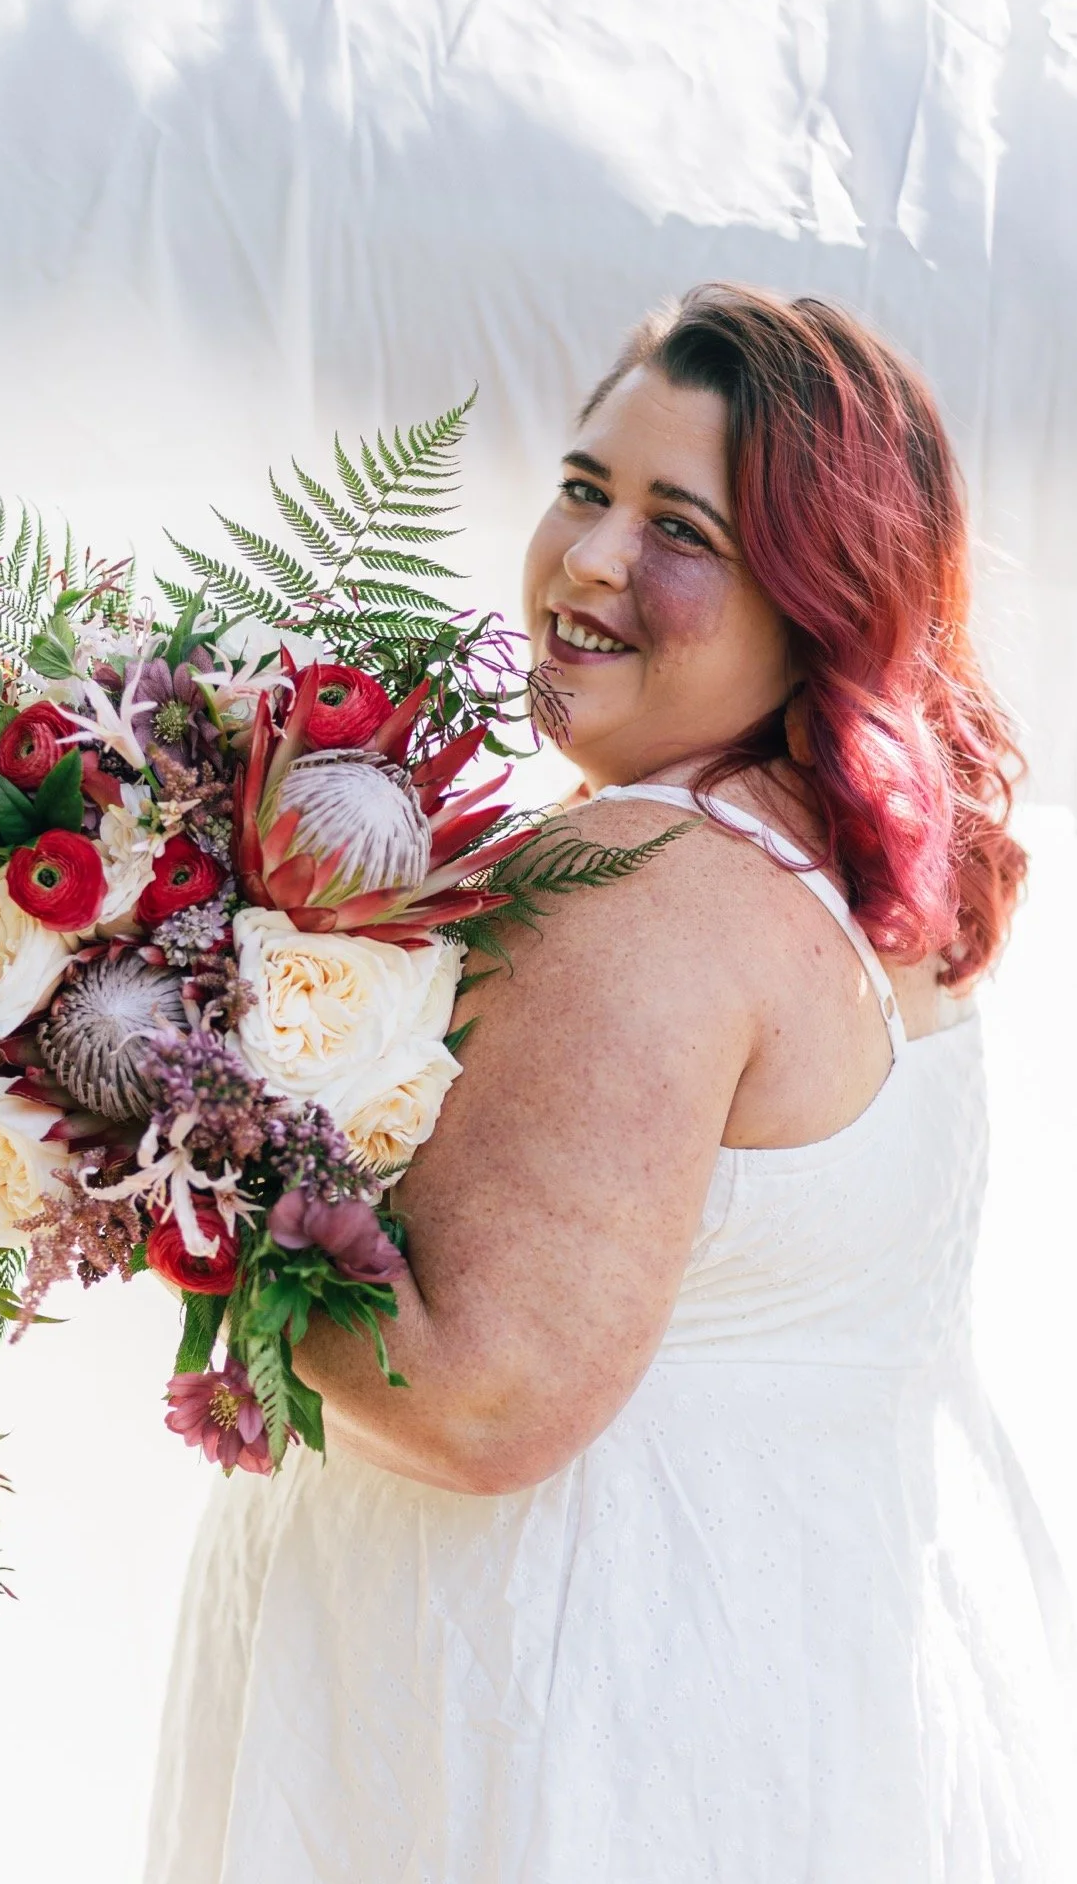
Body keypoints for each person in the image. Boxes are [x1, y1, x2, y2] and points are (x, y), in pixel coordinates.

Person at [146, 284, 1076, 1882]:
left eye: (682, 530)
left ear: (818, 597)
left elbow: (479, 1394)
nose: (588, 562)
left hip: (555, 1731)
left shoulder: (632, 884)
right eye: (584, 489)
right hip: (787, 1703)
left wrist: (144, 1125)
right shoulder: (867, 875)